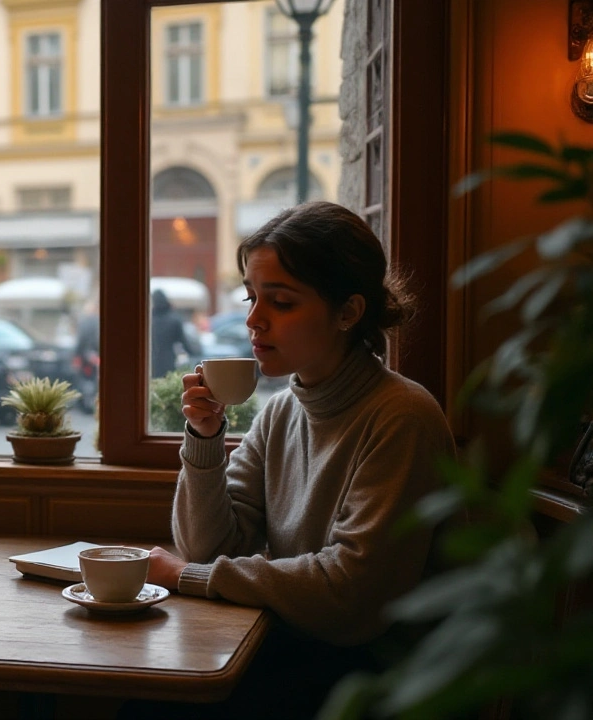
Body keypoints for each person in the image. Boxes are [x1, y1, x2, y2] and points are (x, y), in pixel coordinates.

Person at [139, 202, 457, 718]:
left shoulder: (402, 415)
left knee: (164, 706)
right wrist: (204, 437)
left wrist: (186, 578)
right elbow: (206, 547)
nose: (252, 321)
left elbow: (350, 596)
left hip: (383, 678)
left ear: (348, 313)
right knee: (152, 695)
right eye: (251, 297)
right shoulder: (282, 411)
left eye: (280, 302)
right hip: (306, 650)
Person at [149, 289, 197, 377]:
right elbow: (184, 341)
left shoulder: (150, 320)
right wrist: (194, 353)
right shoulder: (174, 319)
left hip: (153, 361)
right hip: (169, 360)